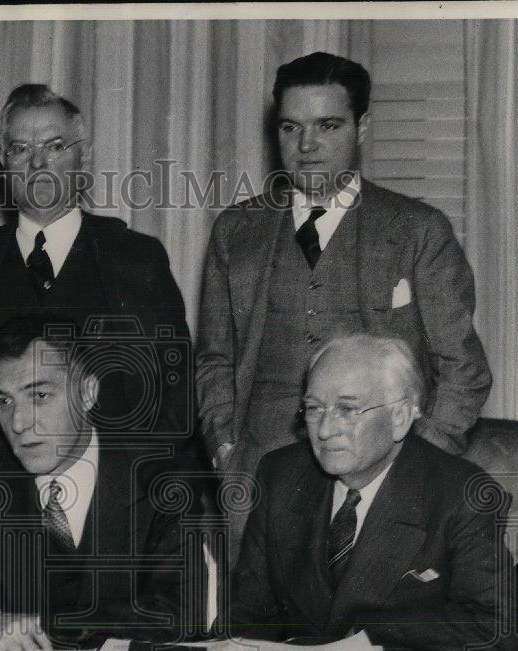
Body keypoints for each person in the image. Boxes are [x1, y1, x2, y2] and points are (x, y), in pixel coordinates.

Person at [196, 52, 491, 562]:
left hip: (378, 475)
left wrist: (415, 465)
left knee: (363, 634)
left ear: (362, 127)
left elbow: (463, 369)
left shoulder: (418, 230)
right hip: (256, 480)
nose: (306, 146)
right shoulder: (236, 231)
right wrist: (226, 450)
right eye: (291, 127)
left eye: (327, 126)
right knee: (253, 630)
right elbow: (214, 359)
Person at [0, 84, 192, 489]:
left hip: (110, 500)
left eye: (55, 146)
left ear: (85, 156)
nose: (38, 164)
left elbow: (174, 397)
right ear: (2, 163)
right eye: (20, 150)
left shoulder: (136, 258)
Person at [0, 314, 204, 651]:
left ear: (88, 393)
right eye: (4, 402)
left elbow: (178, 613)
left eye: (40, 395)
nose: (19, 423)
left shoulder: (161, 473)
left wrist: (41, 626)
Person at [227, 333, 515, 651]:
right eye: (314, 408)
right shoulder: (281, 475)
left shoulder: (460, 494)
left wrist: (377, 632)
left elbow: (498, 629)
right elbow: (246, 622)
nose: (323, 430)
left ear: (400, 418)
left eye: (348, 409)